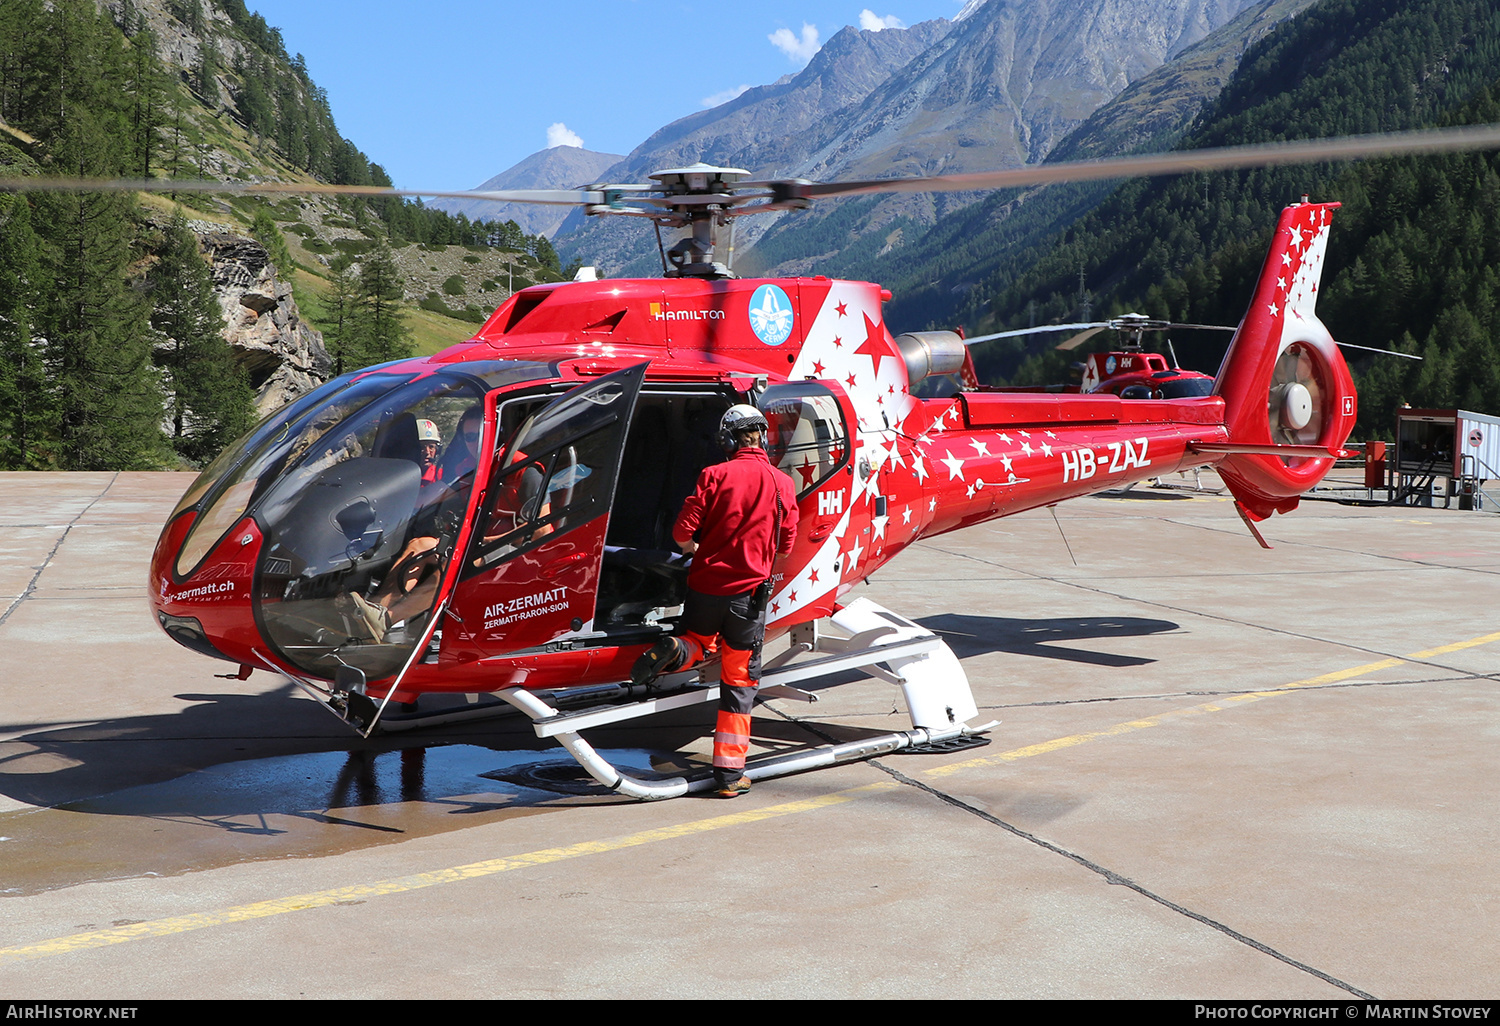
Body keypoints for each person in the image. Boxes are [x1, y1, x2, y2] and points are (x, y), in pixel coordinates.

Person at [631, 404, 798, 797]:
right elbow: (786, 546)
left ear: (727, 439)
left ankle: (677, 649)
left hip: (705, 587)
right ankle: (728, 776)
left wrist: (698, 551)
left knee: (700, 643)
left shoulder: (714, 474)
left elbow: (681, 533)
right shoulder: (781, 483)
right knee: (739, 681)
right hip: (747, 598)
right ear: (762, 438)